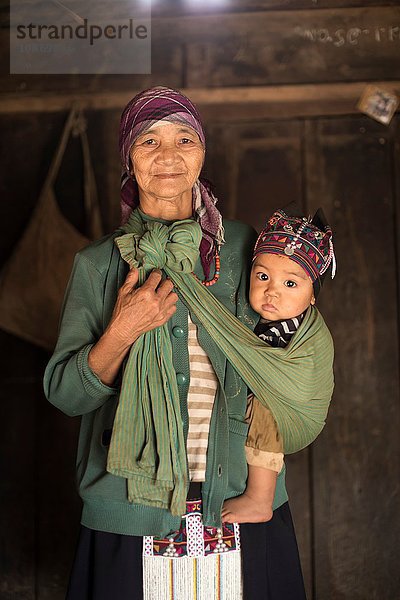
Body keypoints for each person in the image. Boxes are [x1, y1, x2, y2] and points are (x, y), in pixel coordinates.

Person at [44, 86, 316, 600]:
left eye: (184, 138)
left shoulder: (244, 248)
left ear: (202, 153)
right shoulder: (98, 265)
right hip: (129, 505)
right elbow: (65, 395)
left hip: (238, 496)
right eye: (149, 141)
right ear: (129, 159)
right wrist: (123, 329)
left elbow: (287, 363)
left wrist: (261, 484)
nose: (168, 156)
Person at [222, 207, 335, 524]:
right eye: (262, 276)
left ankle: (259, 498)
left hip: (292, 411)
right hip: (269, 407)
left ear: (313, 296)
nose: (272, 290)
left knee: (261, 408)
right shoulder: (256, 319)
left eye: (290, 284)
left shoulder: (293, 329)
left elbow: (274, 372)